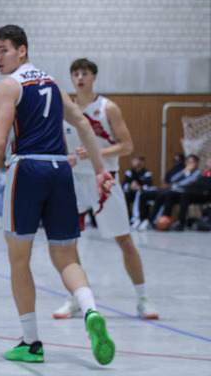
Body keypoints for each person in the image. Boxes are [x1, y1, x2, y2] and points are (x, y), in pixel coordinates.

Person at [0, 25, 115, 366]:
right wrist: (102, 172)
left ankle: (31, 342)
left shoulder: (9, 86)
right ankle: (90, 312)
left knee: (18, 259)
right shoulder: (53, 83)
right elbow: (84, 126)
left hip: (27, 170)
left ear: (22, 51)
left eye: (4, 50)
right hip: (60, 171)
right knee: (66, 257)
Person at [55, 58, 158, 320]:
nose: (80, 78)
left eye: (85, 73)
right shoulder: (64, 107)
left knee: (124, 240)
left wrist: (95, 153)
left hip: (104, 178)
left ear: (93, 77)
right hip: (74, 181)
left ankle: (143, 298)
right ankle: (75, 298)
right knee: (69, 242)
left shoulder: (108, 107)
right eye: (75, 73)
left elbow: (127, 146)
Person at [137, 154, 201, 229]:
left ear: (196, 163)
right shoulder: (186, 172)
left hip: (183, 193)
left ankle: (157, 220)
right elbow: (173, 179)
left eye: (192, 162)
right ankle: (144, 220)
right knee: (149, 194)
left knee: (166, 195)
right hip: (173, 191)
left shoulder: (197, 173)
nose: (190, 164)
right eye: (188, 162)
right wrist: (184, 171)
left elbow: (188, 182)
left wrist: (174, 186)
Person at [172, 155, 211, 230]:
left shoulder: (198, 173)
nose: (208, 163)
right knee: (184, 195)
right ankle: (181, 222)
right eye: (208, 161)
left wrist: (176, 186)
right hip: (202, 194)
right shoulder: (206, 173)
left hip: (207, 195)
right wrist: (184, 172)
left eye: (210, 161)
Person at [122, 155, 154, 225]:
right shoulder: (129, 173)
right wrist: (130, 186)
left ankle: (142, 218)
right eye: (135, 160)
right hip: (131, 193)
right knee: (124, 198)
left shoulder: (146, 173)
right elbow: (124, 185)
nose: (137, 163)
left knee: (143, 197)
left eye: (139, 161)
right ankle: (128, 219)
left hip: (142, 194)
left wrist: (139, 187)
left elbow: (149, 186)